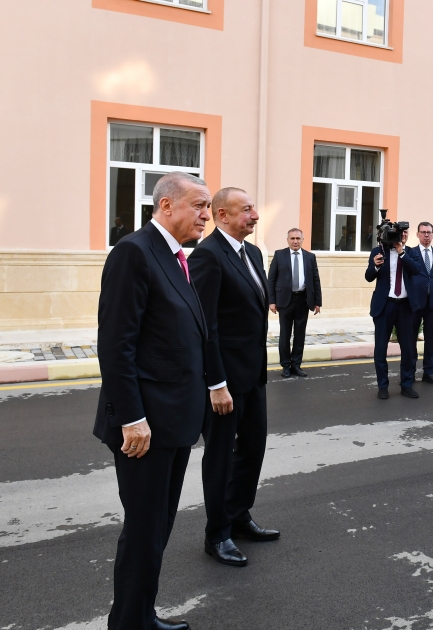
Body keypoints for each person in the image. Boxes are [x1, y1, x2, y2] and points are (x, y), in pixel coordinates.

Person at [93, 171, 212, 630]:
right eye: (199, 205)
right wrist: (132, 418)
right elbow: (116, 343)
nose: (206, 214)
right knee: (144, 531)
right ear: (167, 206)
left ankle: (140, 614)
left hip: (174, 421)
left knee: (156, 528)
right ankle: (127, 623)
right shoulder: (134, 252)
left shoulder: (177, 256)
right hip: (145, 427)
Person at [188, 187, 279, 569]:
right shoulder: (208, 256)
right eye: (247, 210)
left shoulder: (253, 253)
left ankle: (239, 514)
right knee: (221, 457)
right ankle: (217, 533)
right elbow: (206, 326)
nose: (255, 215)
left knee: (254, 446)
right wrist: (216, 383)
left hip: (252, 374)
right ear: (222, 215)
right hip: (224, 381)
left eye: (254, 208)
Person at [366, 228, 422, 399]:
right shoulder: (378, 251)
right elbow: (368, 277)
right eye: (399, 233)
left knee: (408, 349)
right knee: (381, 349)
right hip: (384, 306)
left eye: (405, 233)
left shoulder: (411, 252)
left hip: (405, 307)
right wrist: (375, 266)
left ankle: (406, 384)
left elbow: (416, 270)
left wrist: (401, 252)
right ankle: (383, 386)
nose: (402, 236)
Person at [267, 228, 322, 378]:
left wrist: (317, 301)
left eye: (298, 238)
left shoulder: (310, 257)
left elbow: (315, 280)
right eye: (292, 238)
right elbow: (271, 279)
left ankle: (296, 365)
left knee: (300, 334)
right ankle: (285, 365)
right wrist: (271, 301)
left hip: (303, 300)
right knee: (285, 334)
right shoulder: (279, 255)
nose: (295, 241)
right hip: (285, 300)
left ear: (302, 240)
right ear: (288, 240)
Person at [408, 222, 433, 385]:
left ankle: (429, 372)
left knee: (430, 338)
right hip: (415, 304)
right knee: (411, 339)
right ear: (417, 234)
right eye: (423, 232)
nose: (426, 235)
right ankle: (409, 373)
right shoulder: (410, 253)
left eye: (429, 232)